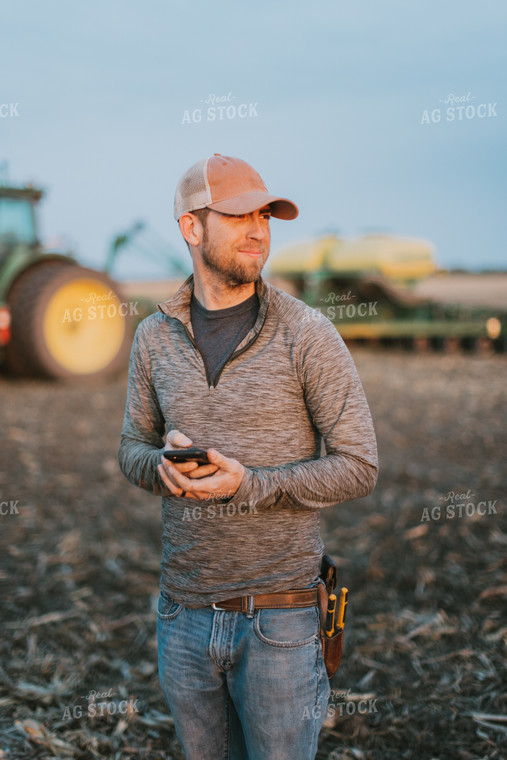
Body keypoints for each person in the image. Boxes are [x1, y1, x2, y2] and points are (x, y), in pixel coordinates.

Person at [118, 153, 378, 760]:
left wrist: (248, 483)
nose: (258, 229)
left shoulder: (306, 333)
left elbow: (361, 464)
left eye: (265, 214)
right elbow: (130, 445)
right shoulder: (154, 336)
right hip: (181, 619)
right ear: (191, 227)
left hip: (280, 624)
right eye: (237, 215)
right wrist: (157, 467)